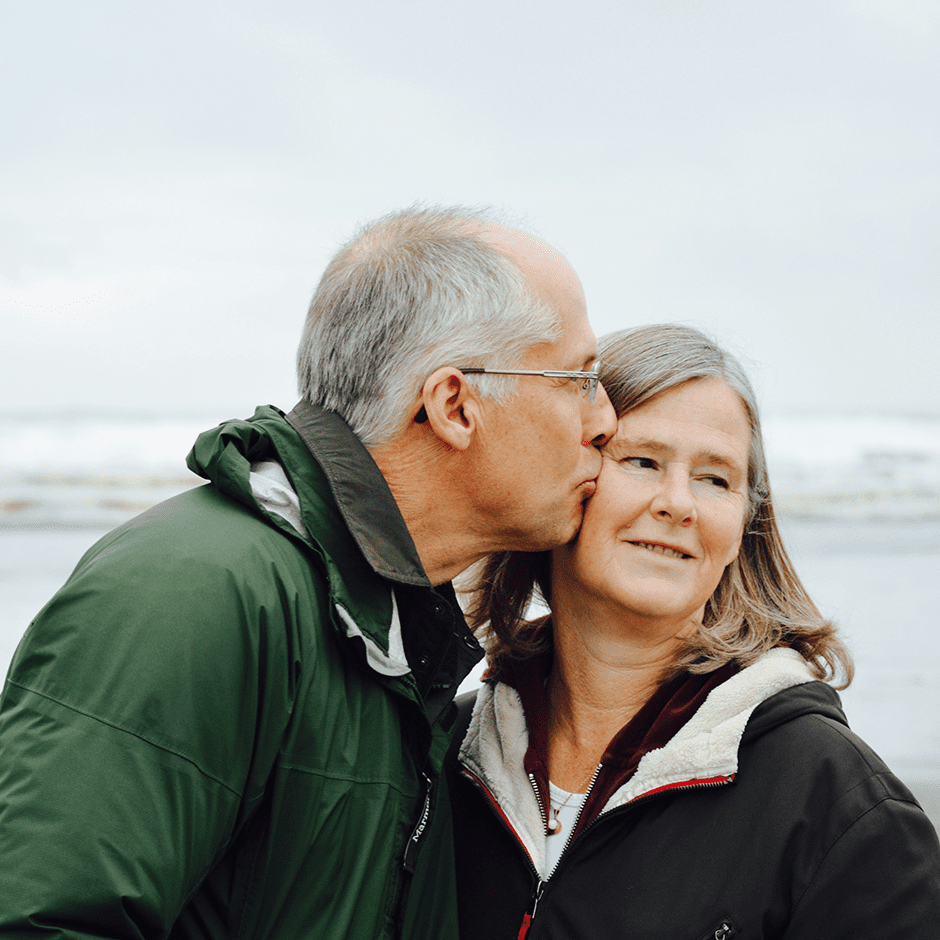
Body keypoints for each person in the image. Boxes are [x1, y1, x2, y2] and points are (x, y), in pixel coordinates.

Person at [0, 206, 617, 939]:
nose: (605, 420)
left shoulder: (385, 628)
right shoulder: (197, 591)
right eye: (577, 380)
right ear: (454, 405)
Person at [450, 323, 940, 939]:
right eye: (643, 461)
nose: (678, 503)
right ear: (566, 479)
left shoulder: (837, 803)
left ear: (742, 526)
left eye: (716, 478)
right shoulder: (448, 753)